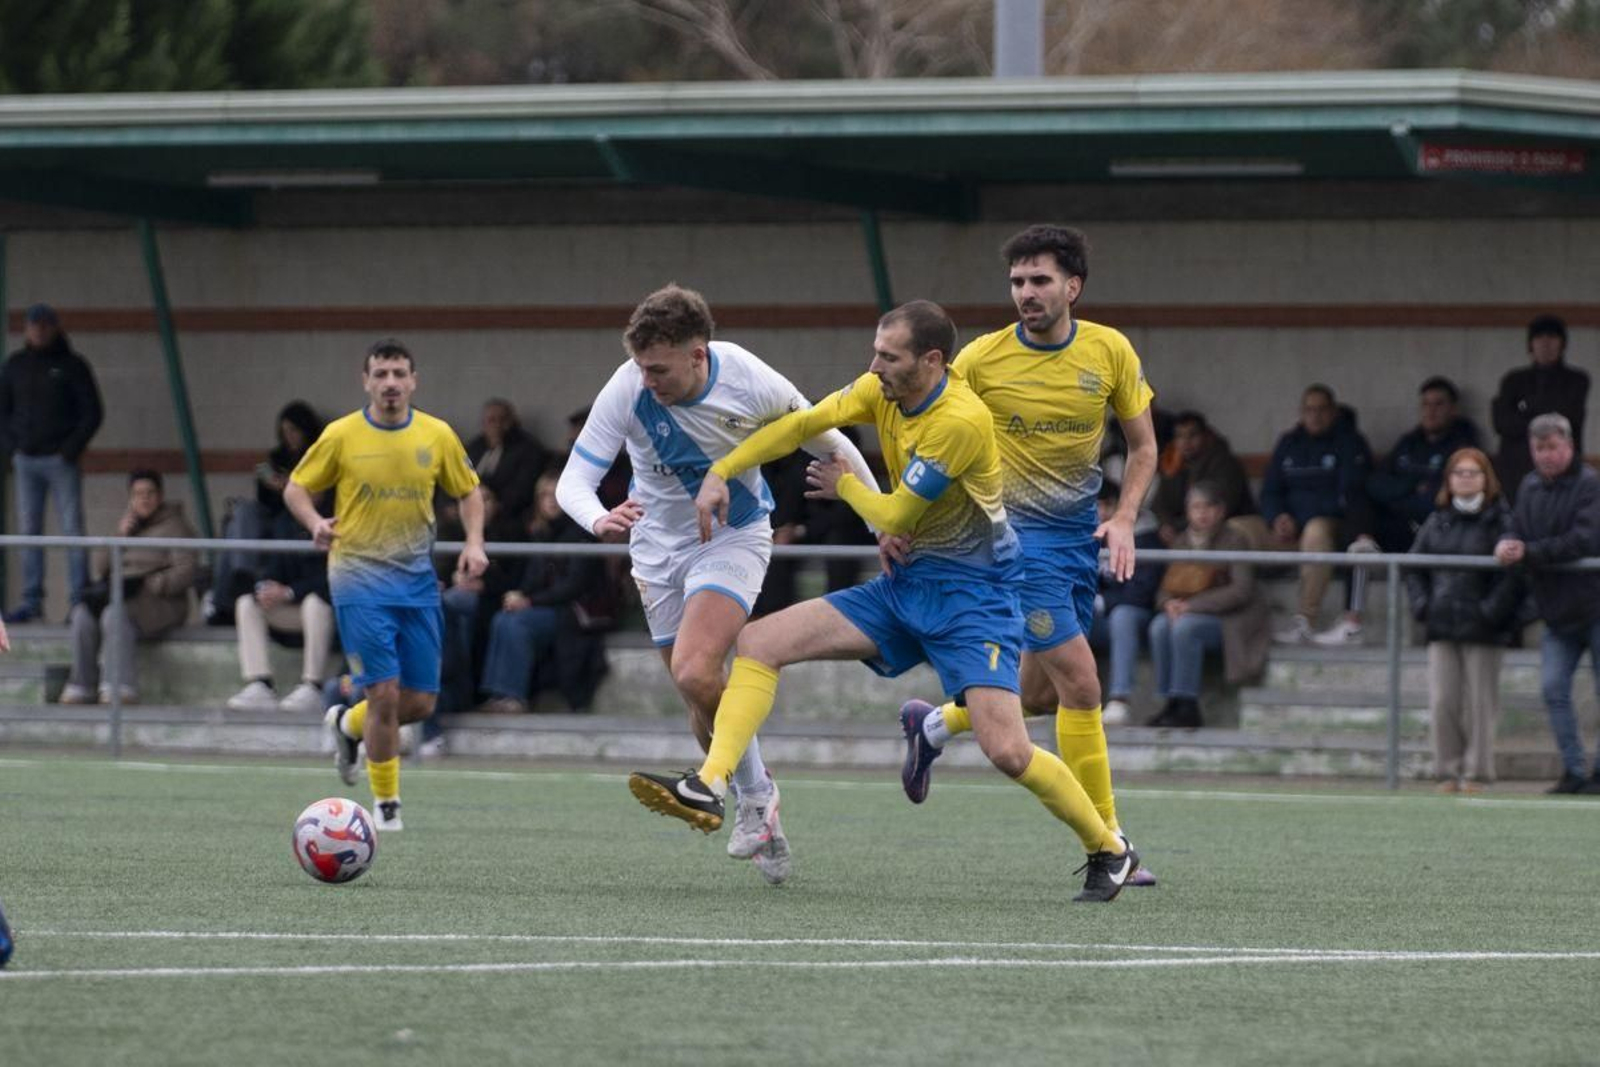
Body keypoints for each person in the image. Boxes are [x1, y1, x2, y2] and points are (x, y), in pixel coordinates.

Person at [630, 300, 1141, 902]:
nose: (873, 365)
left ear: (931, 361)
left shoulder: (960, 419)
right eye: (875, 350)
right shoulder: (883, 389)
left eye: (888, 356)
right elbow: (801, 424)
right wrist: (726, 467)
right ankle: (713, 783)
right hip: (907, 587)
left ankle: (1109, 848)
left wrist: (845, 486)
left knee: (1007, 749)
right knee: (759, 641)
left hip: (974, 603)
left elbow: (896, 513)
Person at [556, 283, 876, 885]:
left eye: (659, 369)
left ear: (698, 353)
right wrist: (597, 517)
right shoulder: (627, 385)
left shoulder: (751, 380)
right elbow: (574, 480)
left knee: (696, 671)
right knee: (700, 702)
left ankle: (751, 798)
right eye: (641, 367)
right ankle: (762, 802)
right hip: (654, 553)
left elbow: (830, 439)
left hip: (734, 538)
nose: (647, 380)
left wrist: (881, 520)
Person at [888, 225, 1158, 886]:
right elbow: (918, 423)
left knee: (1036, 692)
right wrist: (901, 508)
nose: (1026, 293)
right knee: (1083, 682)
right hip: (1009, 543)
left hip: (1073, 542)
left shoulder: (1110, 350)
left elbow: (1144, 446)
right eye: (1017, 282)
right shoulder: (981, 359)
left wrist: (1124, 517)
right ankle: (1111, 842)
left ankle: (933, 727)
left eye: (1039, 281)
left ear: (1073, 286)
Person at [286, 338, 486, 832]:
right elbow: (296, 487)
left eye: (399, 373)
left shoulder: (437, 435)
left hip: (417, 583)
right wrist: (313, 521)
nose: (391, 383)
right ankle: (387, 807)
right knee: (385, 695)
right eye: (381, 374)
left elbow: (469, 492)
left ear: (413, 381)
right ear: (366, 381)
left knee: (419, 702)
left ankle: (345, 724)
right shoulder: (341, 435)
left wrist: (475, 543)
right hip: (356, 577)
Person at [1494, 413, 1600, 795]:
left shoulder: (1590, 485)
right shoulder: (1529, 486)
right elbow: (1518, 527)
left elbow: (1584, 541)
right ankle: (1574, 770)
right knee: (1553, 689)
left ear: (1570, 446)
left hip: (1595, 605)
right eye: (1539, 448)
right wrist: (1508, 542)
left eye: (1553, 446)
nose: (1547, 455)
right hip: (1556, 611)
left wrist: (1528, 552)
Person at [1406, 448, 1521, 794]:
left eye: (1473, 473)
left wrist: (1490, 611)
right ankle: (1446, 771)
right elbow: (1414, 566)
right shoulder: (1436, 521)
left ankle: (1477, 773)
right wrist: (1423, 605)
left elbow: (1512, 576)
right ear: (1449, 480)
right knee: (1443, 701)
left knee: (1481, 704)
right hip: (1442, 624)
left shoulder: (1502, 520)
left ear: (1487, 479)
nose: (1465, 479)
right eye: (1459, 473)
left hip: (1484, 627)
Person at [0, 304, 104, 622]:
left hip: (60, 462)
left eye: (46, 324)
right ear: (26, 329)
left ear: (56, 328)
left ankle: (78, 601)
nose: (40, 330)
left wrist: (68, 451)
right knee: (29, 532)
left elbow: (92, 412)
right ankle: (32, 602)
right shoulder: (15, 366)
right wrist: (12, 449)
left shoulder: (73, 365)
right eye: (35, 325)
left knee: (71, 529)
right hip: (26, 461)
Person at [59, 471, 199, 705]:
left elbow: (186, 571)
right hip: (122, 594)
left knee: (113, 615)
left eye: (150, 493)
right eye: (138, 494)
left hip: (161, 602)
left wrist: (153, 583)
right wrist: (119, 535)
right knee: (82, 615)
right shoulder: (127, 525)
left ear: (160, 496)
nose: (144, 499)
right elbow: (100, 567)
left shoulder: (176, 526)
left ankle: (120, 687)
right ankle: (82, 685)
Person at [478, 473, 612, 713]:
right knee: (502, 617)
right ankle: (498, 693)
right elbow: (532, 578)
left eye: (555, 495)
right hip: (545, 606)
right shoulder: (541, 532)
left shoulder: (582, 532)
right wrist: (518, 595)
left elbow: (573, 586)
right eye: (544, 495)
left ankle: (513, 697)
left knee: (517, 624)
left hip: (572, 611)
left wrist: (529, 601)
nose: (549, 501)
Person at [1146, 482, 1269, 729]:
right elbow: (1164, 588)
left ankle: (1188, 706)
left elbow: (1241, 590)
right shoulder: (1181, 541)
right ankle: (1170, 701)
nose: (1202, 513)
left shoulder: (1235, 539)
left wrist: (1192, 606)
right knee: (1159, 626)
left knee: (1185, 628)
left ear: (1221, 510)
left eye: (1208, 507)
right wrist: (1168, 604)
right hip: (1186, 612)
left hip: (1229, 619)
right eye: (1196, 507)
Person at [1261, 384, 1375, 647]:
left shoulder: (1349, 442)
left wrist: (1297, 518)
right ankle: (1217, 615)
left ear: (1334, 411)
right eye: (1309, 409)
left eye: (1322, 409)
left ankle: (1304, 620)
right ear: (1301, 412)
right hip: (1285, 528)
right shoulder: (1288, 442)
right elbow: (1270, 491)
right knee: (1238, 530)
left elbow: (1350, 495)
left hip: (1327, 525)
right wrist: (1276, 516)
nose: (1315, 415)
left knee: (1315, 530)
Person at [223, 516, 335, 715]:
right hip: (293, 609)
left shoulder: (337, 518)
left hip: (332, 615)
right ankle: (260, 684)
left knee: (314, 603)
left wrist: (290, 591)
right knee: (247, 603)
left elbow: (335, 579)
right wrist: (267, 588)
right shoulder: (285, 522)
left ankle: (313, 686)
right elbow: (272, 567)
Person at [1367, 377, 1482, 552]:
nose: (1431, 411)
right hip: (1397, 524)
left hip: (1440, 529)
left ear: (1453, 409)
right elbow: (1376, 483)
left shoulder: (1463, 445)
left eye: (1438, 404)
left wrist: (1400, 497)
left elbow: (1443, 496)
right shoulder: (1408, 442)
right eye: (1426, 405)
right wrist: (1412, 485)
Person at [1087, 482, 1164, 727]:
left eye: (1104, 505)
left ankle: (1120, 700)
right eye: (1094, 506)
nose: (1099, 512)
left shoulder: (1146, 537)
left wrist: (1102, 601)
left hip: (1139, 617)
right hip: (1101, 617)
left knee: (1123, 616)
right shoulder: (1089, 535)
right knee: (1065, 615)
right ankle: (1052, 698)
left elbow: (1142, 592)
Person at [1492, 314, 1589, 502]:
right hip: (1516, 472)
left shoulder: (1577, 380)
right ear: (1531, 344)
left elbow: (1568, 418)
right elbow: (1501, 422)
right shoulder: (1513, 380)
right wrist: (1544, 415)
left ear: (1562, 344)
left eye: (1552, 337)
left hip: (1562, 474)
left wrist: (1525, 408)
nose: (1545, 343)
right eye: (1539, 338)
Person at [1152, 410, 1257, 547]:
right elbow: (1159, 504)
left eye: (1192, 435)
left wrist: (1178, 527)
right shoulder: (1174, 465)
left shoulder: (1224, 462)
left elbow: (1222, 506)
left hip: (1224, 527)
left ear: (1206, 436)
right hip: (1183, 528)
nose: (1186, 441)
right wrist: (1165, 525)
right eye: (1180, 436)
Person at [466, 398, 548, 523]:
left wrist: (495, 504)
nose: (497, 425)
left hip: (507, 513)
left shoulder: (528, 449)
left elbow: (524, 487)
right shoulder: (474, 447)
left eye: (503, 420)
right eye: (491, 420)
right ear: (483, 424)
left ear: (513, 422)